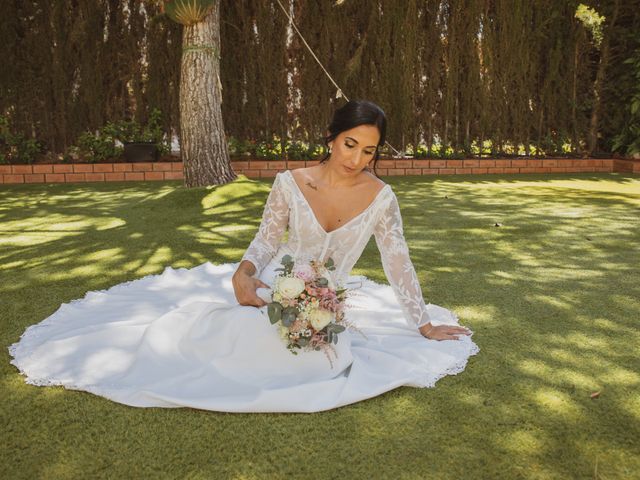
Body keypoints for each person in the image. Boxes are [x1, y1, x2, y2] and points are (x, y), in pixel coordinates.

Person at [8, 100, 479, 413]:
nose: (356, 159)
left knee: (319, 362)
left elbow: (399, 262)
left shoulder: (382, 197)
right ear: (332, 136)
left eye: (369, 150)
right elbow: (266, 240)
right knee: (242, 344)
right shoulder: (290, 183)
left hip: (328, 302)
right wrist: (245, 273)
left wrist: (422, 323)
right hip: (278, 285)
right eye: (349, 144)